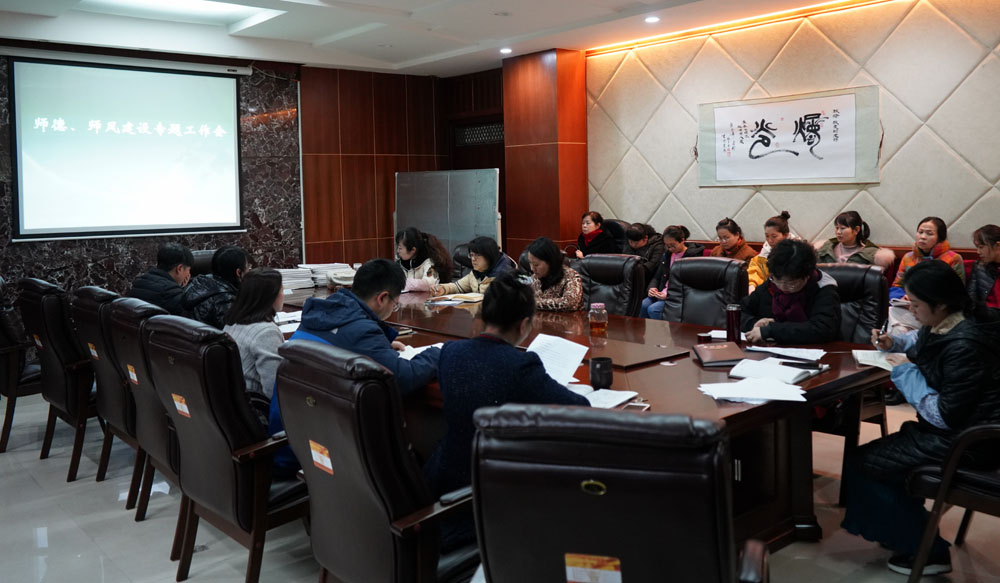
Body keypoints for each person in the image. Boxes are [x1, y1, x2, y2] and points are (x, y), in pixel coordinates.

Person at [845, 260, 1000, 576]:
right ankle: (907, 530)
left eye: (915, 304)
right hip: (958, 432)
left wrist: (905, 372)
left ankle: (927, 551)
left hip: (967, 442)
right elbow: (925, 339)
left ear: (940, 304)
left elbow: (943, 416)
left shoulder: (966, 345)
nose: (910, 310)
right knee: (873, 459)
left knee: (864, 465)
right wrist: (895, 342)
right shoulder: (954, 320)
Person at [424, 273, 590, 550]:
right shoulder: (520, 365)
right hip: (487, 502)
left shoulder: (451, 352)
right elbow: (579, 410)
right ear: (524, 324)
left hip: (442, 483)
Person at [268, 259, 441, 476]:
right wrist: (439, 353)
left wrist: (380, 348)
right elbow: (404, 379)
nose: (393, 308)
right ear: (382, 298)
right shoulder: (361, 331)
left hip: (289, 438)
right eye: (395, 304)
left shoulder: (321, 312)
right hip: (318, 456)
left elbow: (339, 341)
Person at [740, 239, 841, 345]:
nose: (783, 287)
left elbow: (823, 329)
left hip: (817, 351)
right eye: (777, 280)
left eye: (791, 283)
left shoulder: (823, 289)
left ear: (807, 276)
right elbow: (740, 312)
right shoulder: (772, 284)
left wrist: (772, 330)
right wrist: (755, 324)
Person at [222, 268, 284, 427]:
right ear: (269, 297)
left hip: (233, 409)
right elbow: (274, 389)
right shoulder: (267, 332)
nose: (283, 295)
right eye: (281, 290)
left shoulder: (232, 322)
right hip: (256, 415)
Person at [888, 217, 965, 333]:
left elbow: (957, 292)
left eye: (929, 233)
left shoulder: (953, 258)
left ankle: (904, 339)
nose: (923, 237)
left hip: (937, 310)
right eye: (920, 232)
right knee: (893, 312)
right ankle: (900, 340)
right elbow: (897, 285)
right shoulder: (908, 257)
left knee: (901, 328)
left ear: (940, 237)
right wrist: (902, 297)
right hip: (911, 307)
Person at [640, 225, 703, 319]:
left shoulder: (692, 257)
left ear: (682, 240)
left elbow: (689, 283)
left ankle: (664, 329)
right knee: (643, 305)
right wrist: (652, 288)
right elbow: (657, 276)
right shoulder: (667, 255)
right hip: (662, 293)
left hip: (678, 296)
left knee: (654, 309)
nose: (670, 249)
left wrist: (668, 295)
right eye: (667, 246)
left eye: (673, 245)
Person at [181, 245, 247, 329]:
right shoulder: (224, 299)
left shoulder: (197, 283)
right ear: (238, 272)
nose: (249, 271)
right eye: (247, 267)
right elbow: (232, 332)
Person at [127, 243, 193, 315]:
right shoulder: (171, 292)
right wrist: (183, 291)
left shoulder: (140, 281)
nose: (189, 274)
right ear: (180, 268)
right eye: (188, 270)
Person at [434, 236, 515, 295]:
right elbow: (457, 287)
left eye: (477, 255)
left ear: (489, 256)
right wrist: (443, 289)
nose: (473, 259)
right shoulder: (477, 272)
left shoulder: (506, 276)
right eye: (471, 255)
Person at [815, 210, 895, 269]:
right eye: (837, 228)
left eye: (842, 228)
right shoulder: (826, 248)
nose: (838, 232)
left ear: (856, 230)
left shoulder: (872, 254)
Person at [526, 237, 584, 311]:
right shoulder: (535, 277)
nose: (532, 268)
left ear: (550, 262)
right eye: (530, 263)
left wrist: (533, 302)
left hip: (568, 318)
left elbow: (569, 303)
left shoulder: (571, 276)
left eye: (536, 265)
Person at [395, 227, 453, 292]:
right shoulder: (401, 263)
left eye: (400, 248)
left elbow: (429, 283)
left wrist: (405, 284)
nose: (398, 251)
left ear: (413, 250)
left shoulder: (430, 262)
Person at [748, 211, 793, 291]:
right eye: (767, 236)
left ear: (785, 235)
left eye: (774, 236)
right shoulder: (762, 257)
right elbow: (755, 272)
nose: (770, 240)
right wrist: (752, 286)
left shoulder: (796, 254)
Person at [968, 224, 1000, 319]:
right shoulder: (979, 267)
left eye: (981, 247)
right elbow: (971, 299)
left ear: (998, 245)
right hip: (986, 319)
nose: (978, 252)